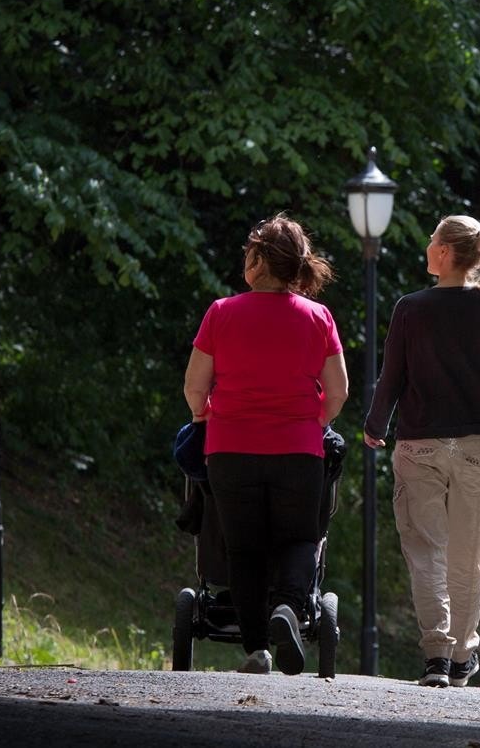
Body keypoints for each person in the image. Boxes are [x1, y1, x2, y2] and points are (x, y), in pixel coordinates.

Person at [363, 214, 480, 688]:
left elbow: (393, 376)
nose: (427, 246)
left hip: (419, 443)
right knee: (467, 556)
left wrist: (375, 424)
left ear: (445, 252)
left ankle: (437, 659)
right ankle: (463, 656)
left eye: (432, 240)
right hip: (475, 447)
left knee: (427, 553)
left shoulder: (411, 308)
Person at [182, 213, 349, 676]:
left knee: (245, 549)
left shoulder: (221, 312)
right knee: (299, 536)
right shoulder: (318, 317)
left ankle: (257, 650)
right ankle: (290, 609)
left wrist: (205, 416)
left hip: (231, 449)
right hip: (297, 451)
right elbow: (337, 392)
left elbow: (195, 387)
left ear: (257, 259)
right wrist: (311, 421)